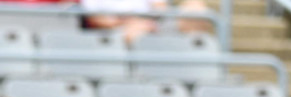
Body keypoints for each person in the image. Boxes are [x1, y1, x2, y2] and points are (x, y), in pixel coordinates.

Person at [81, 0, 212, 44]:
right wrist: (124, 22)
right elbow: (95, 19)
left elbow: (161, 8)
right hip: (113, 31)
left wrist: (146, 20)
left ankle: (194, 64)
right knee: (135, 32)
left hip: (151, 22)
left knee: (196, 8)